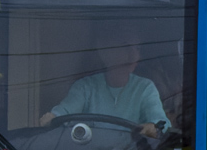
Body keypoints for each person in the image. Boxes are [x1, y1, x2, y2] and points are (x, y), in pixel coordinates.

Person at [40, 39, 169, 139]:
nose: (133, 54)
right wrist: (52, 118)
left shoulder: (145, 88)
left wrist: (153, 128)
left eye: (137, 48)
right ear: (105, 52)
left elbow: (161, 123)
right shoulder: (85, 87)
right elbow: (64, 112)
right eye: (125, 46)